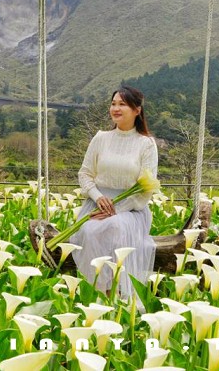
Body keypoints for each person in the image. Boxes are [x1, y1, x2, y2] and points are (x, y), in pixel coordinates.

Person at [72, 85, 158, 297]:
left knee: (116, 227)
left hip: (130, 211)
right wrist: (98, 197)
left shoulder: (146, 144)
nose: (116, 108)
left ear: (137, 110)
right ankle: (99, 292)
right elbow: (85, 174)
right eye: (113, 104)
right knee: (90, 231)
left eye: (123, 104)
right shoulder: (101, 138)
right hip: (98, 205)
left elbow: (145, 190)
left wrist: (117, 209)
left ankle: (118, 292)